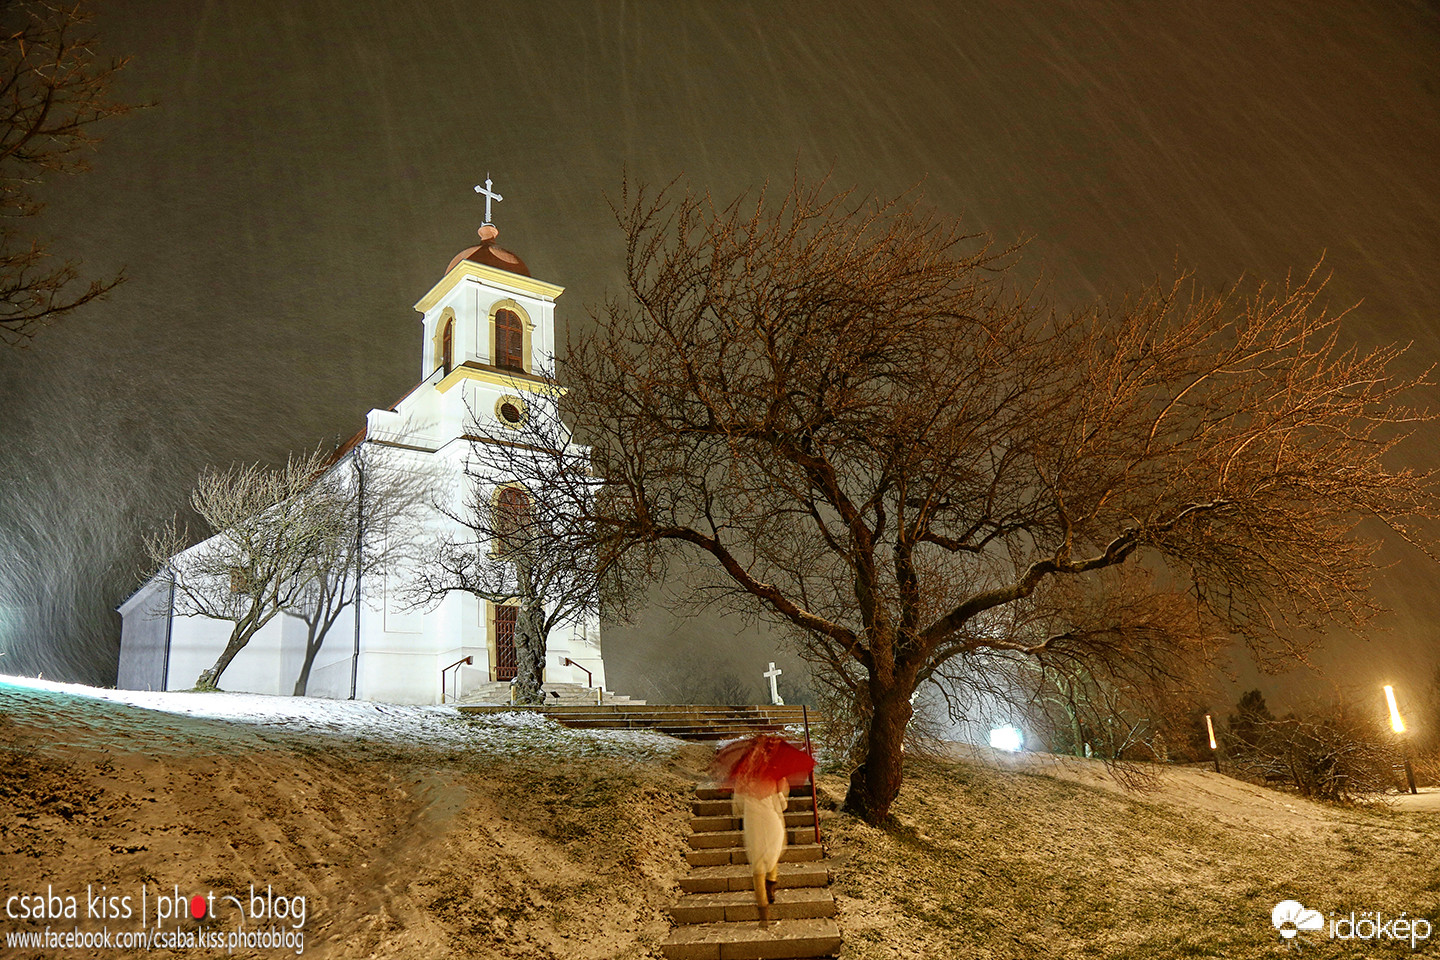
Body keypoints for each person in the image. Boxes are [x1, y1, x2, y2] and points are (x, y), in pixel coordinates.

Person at [733, 775, 789, 928]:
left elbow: (737, 807)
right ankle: (771, 885)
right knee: (772, 854)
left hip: (753, 826)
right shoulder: (773, 779)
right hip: (771, 823)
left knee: (757, 867)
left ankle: (763, 914)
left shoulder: (743, 780)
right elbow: (783, 806)